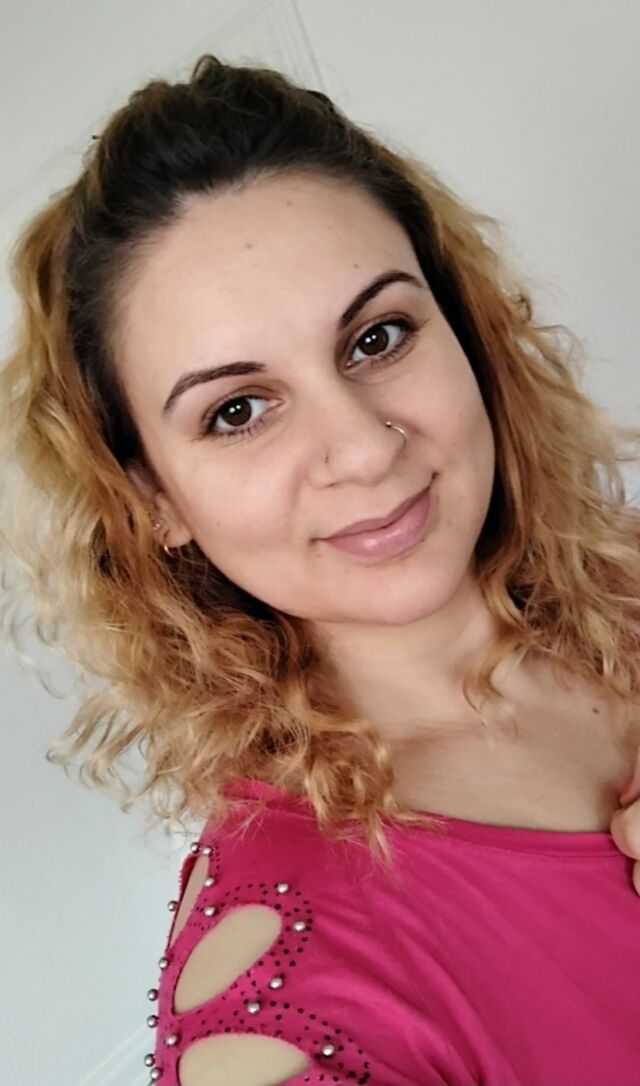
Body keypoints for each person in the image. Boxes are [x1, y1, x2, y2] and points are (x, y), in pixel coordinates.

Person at [1, 54, 640, 1086]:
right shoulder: (290, 988)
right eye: (237, 410)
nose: (363, 448)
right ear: (154, 497)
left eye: (377, 337)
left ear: (464, 330)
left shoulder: (623, 575)